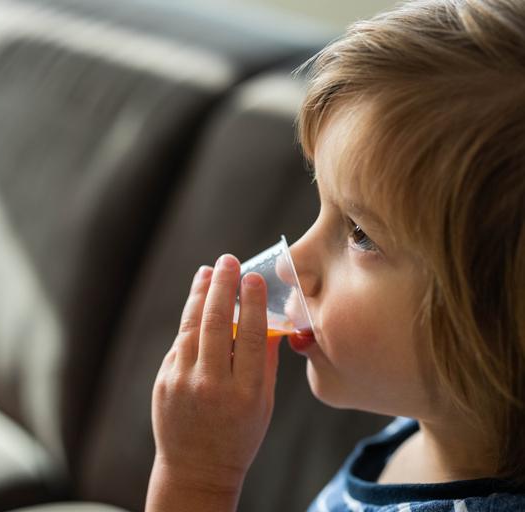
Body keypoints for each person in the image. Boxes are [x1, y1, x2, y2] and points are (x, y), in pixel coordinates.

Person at [144, 0, 525, 510]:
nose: (291, 263)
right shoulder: (433, 422)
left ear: (502, 316)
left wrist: (196, 478)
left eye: (361, 234)